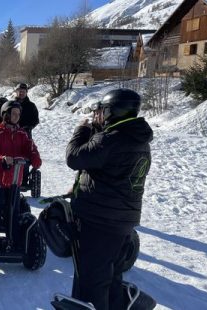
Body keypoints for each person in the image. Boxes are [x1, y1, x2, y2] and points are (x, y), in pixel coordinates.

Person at [66, 89, 155, 310]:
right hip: (122, 221)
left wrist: (82, 130)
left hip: (99, 220)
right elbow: (105, 164)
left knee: (91, 282)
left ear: (113, 111)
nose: (101, 115)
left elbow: (74, 157)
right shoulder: (139, 139)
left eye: (104, 111)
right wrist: (98, 132)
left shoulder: (110, 140)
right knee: (111, 277)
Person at [0, 100, 41, 250]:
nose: (16, 116)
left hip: (15, 179)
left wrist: (35, 158)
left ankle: (14, 240)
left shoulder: (22, 133)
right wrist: (1, 159)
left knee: (14, 211)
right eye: (13, 113)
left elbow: (31, 147)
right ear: (6, 115)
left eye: (18, 114)